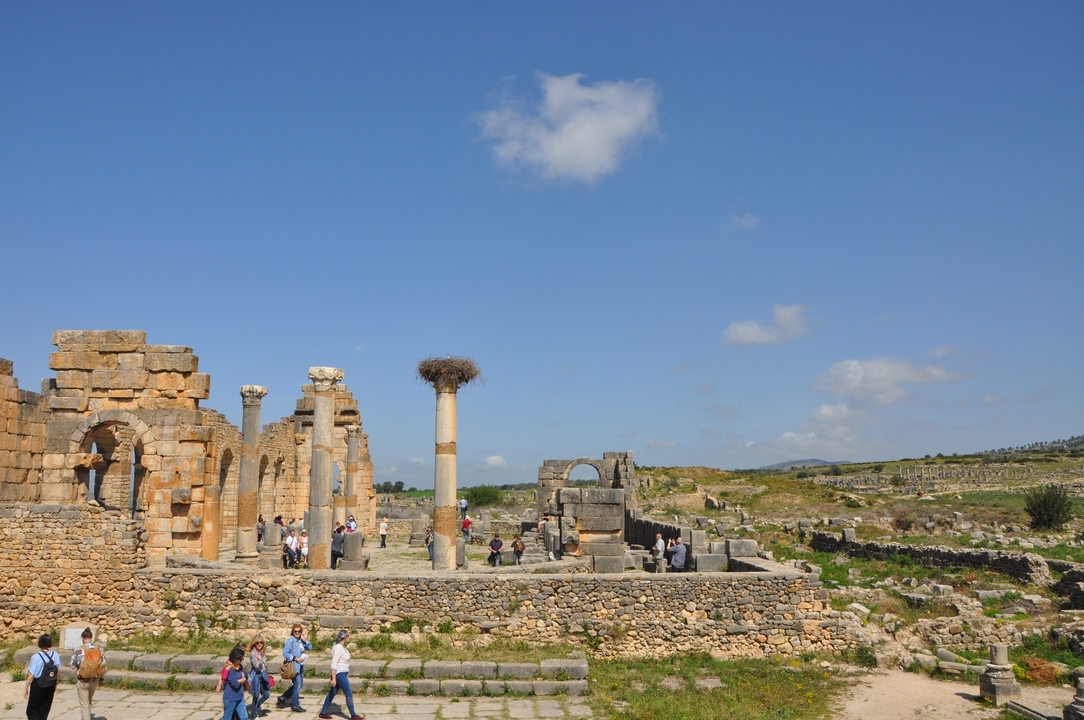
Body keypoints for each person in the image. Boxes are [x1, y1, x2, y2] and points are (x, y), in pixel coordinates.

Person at [317, 630, 361, 720]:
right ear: (345, 637)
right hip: (339, 674)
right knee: (348, 692)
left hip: (342, 673)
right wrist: (333, 678)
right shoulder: (338, 648)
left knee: (332, 693)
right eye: (347, 636)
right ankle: (353, 715)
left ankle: (323, 712)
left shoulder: (341, 647)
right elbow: (334, 664)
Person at [70, 626, 106, 720]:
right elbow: (102, 665)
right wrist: (102, 678)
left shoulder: (78, 650)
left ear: (82, 638)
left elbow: (73, 666)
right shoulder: (99, 648)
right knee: (89, 700)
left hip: (83, 680)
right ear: (92, 637)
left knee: (84, 705)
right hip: (94, 679)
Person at [25, 633, 60, 720]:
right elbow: (57, 670)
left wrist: (26, 688)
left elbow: (31, 675)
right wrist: (55, 683)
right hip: (50, 684)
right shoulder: (55, 654)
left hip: (38, 685)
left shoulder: (36, 657)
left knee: (32, 710)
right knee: (44, 709)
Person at [276, 624, 311, 712]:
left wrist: (304, 640)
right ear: (293, 631)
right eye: (295, 631)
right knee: (298, 685)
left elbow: (310, 647)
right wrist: (295, 658)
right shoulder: (290, 641)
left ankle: (283, 697)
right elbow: (285, 653)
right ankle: (295, 705)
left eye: (299, 631)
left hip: (301, 665)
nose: (297, 633)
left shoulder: (301, 641)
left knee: (299, 684)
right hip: (294, 666)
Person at [216, 647, 250, 720]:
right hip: (230, 699)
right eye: (240, 659)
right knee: (227, 718)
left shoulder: (239, 666)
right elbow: (235, 684)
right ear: (235, 659)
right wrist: (242, 679)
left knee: (244, 717)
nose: (241, 661)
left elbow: (246, 674)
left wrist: (242, 679)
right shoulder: (229, 670)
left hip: (240, 697)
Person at [248, 635, 270, 718]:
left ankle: (254, 708)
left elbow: (265, 665)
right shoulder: (253, 653)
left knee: (266, 694)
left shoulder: (262, 652)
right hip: (256, 676)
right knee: (256, 695)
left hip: (263, 674)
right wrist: (261, 657)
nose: (259, 644)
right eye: (257, 643)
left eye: (261, 642)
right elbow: (257, 666)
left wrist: (263, 659)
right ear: (254, 644)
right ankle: (253, 715)